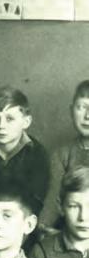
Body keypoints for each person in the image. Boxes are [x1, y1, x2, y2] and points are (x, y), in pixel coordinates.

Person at [0, 87, 49, 215]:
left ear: (26, 122)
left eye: (9, 119)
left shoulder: (37, 154)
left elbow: (36, 200)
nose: (1, 126)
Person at [40, 80, 89, 226]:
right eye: (81, 107)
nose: (87, 116)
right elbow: (53, 201)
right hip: (75, 228)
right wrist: (42, 228)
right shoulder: (62, 154)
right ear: (71, 110)